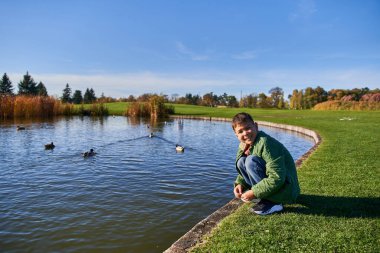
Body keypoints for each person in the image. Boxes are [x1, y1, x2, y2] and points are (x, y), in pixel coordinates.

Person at [232, 112, 300, 215]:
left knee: (251, 161)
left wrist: (254, 192)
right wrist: (240, 184)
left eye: (248, 128)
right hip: (275, 186)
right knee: (242, 161)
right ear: (236, 135)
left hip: (286, 190)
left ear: (256, 126)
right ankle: (264, 198)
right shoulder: (244, 145)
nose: (245, 133)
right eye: (240, 131)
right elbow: (244, 168)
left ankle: (274, 202)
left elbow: (276, 177)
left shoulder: (266, 143)